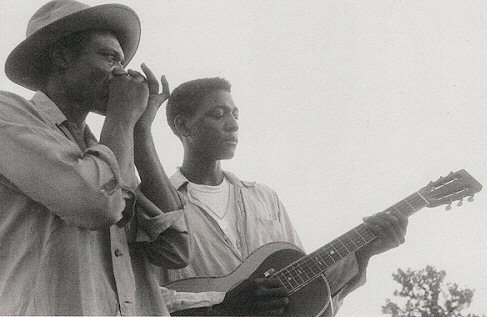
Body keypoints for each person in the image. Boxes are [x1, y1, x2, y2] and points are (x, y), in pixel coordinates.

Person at [156, 77, 408, 316]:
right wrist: (223, 306)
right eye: (218, 114)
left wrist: (364, 252)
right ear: (183, 126)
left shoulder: (265, 199)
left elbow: (305, 291)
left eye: (235, 114)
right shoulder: (158, 205)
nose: (233, 124)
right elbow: (144, 297)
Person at [0, 0, 189, 315]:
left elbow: (176, 251)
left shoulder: (107, 150)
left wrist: (140, 132)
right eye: (110, 57)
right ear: (61, 56)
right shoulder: (10, 116)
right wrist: (121, 118)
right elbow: (99, 204)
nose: (121, 72)